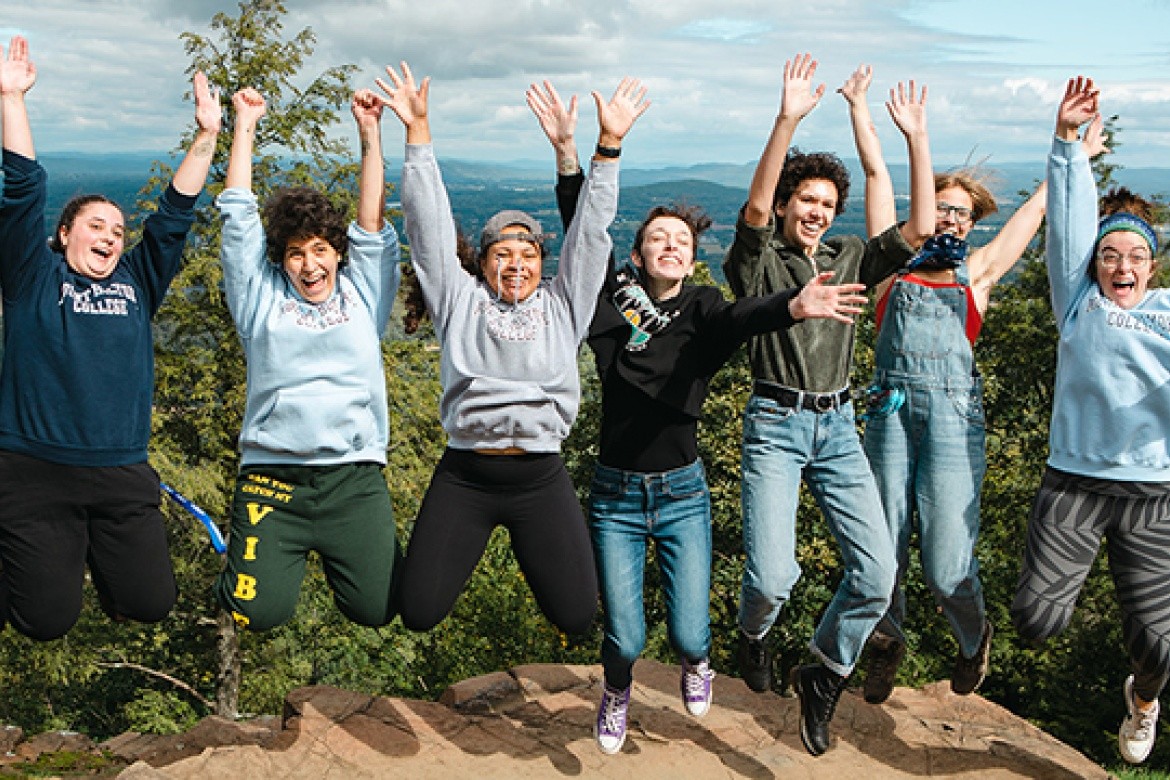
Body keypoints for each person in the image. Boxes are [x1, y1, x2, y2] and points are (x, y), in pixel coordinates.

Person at [527, 80, 870, 754]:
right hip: (616, 494)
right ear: (639, 253)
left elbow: (745, 315)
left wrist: (791, 306)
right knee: (624, 636)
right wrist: (579, 148)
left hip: (683, 494)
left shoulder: (706, 309)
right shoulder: (610, 297)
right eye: (658, 237)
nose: (671, 245)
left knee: (689, 635)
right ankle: (617, 691)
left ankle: (698, 662)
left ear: (692, 253)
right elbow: (583, 226)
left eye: (681, 238)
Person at [378, 63, 647, 638]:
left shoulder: (563, 305)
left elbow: (592, 233)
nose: (516, 263)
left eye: (527, 253)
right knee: (419, 611)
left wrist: (609, 147)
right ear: (481, 263)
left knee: (577, 616)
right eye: (502, 253)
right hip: (466, 475)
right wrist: (417, 135)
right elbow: (427, 229)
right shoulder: (460, 302)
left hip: (540, 477)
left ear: (543, 264)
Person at [723, 53, 935, 757]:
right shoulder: (760, 264)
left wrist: (914, 138)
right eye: (804, 200)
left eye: (825, 204)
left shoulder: (847, 256)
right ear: (788, 203)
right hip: (776, 426)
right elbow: (753, 213)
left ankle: (825, 670)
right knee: (773, 578)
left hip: (839, 424)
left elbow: (918, 230)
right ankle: (753, 633)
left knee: (877, 575)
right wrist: (786, 117)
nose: (815, 212)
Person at [837, 64, 1049, 704]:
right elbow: (876, 177)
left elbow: (1035, 213)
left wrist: (1073, 152)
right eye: (941, 207)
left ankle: (971, 634)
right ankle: (885, 642)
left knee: (947, 559)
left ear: (974, 221)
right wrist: (861, 110)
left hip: (956, 421)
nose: (949, 219)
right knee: (882, 543)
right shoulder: (890, 266)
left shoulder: (977, 273)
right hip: (889, 411)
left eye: (960, 211)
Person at [0, 37, 220, 639]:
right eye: (96, 225)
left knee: (150, 602)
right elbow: (20, 195)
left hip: (120, 469)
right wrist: (11, 99)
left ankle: (94, 557)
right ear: (64, 232)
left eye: (118, 230)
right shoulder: (30, 276)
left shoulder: (137, 281)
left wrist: (207, 135)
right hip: (32, 471)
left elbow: (174, 218)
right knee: (44, 622)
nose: (110, 236)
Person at [1011, 76, 1170, 767]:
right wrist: (1068, 142)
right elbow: (1071, 228)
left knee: (1161, 646)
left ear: (1154, 267)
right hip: (1073, 482)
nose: (1122, 264)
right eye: (1111, 254)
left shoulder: (1166, 318)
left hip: (1155, 495)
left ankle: (1142, 698)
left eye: (1135, 255)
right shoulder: (1076, 306)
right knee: (1037, 621)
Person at [213, 85, 403, 632]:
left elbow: (372, 224)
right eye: (296, 252)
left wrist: (370, 132)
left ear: (338, 254)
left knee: (378, 608)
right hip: (272, 476)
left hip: (353, 477)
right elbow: (239, 220)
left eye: (320, 248)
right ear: (282, 260)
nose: (308, 263)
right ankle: (251, 553)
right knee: (257, 612)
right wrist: (244, 123)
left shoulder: (363, 294)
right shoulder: (259, 298)